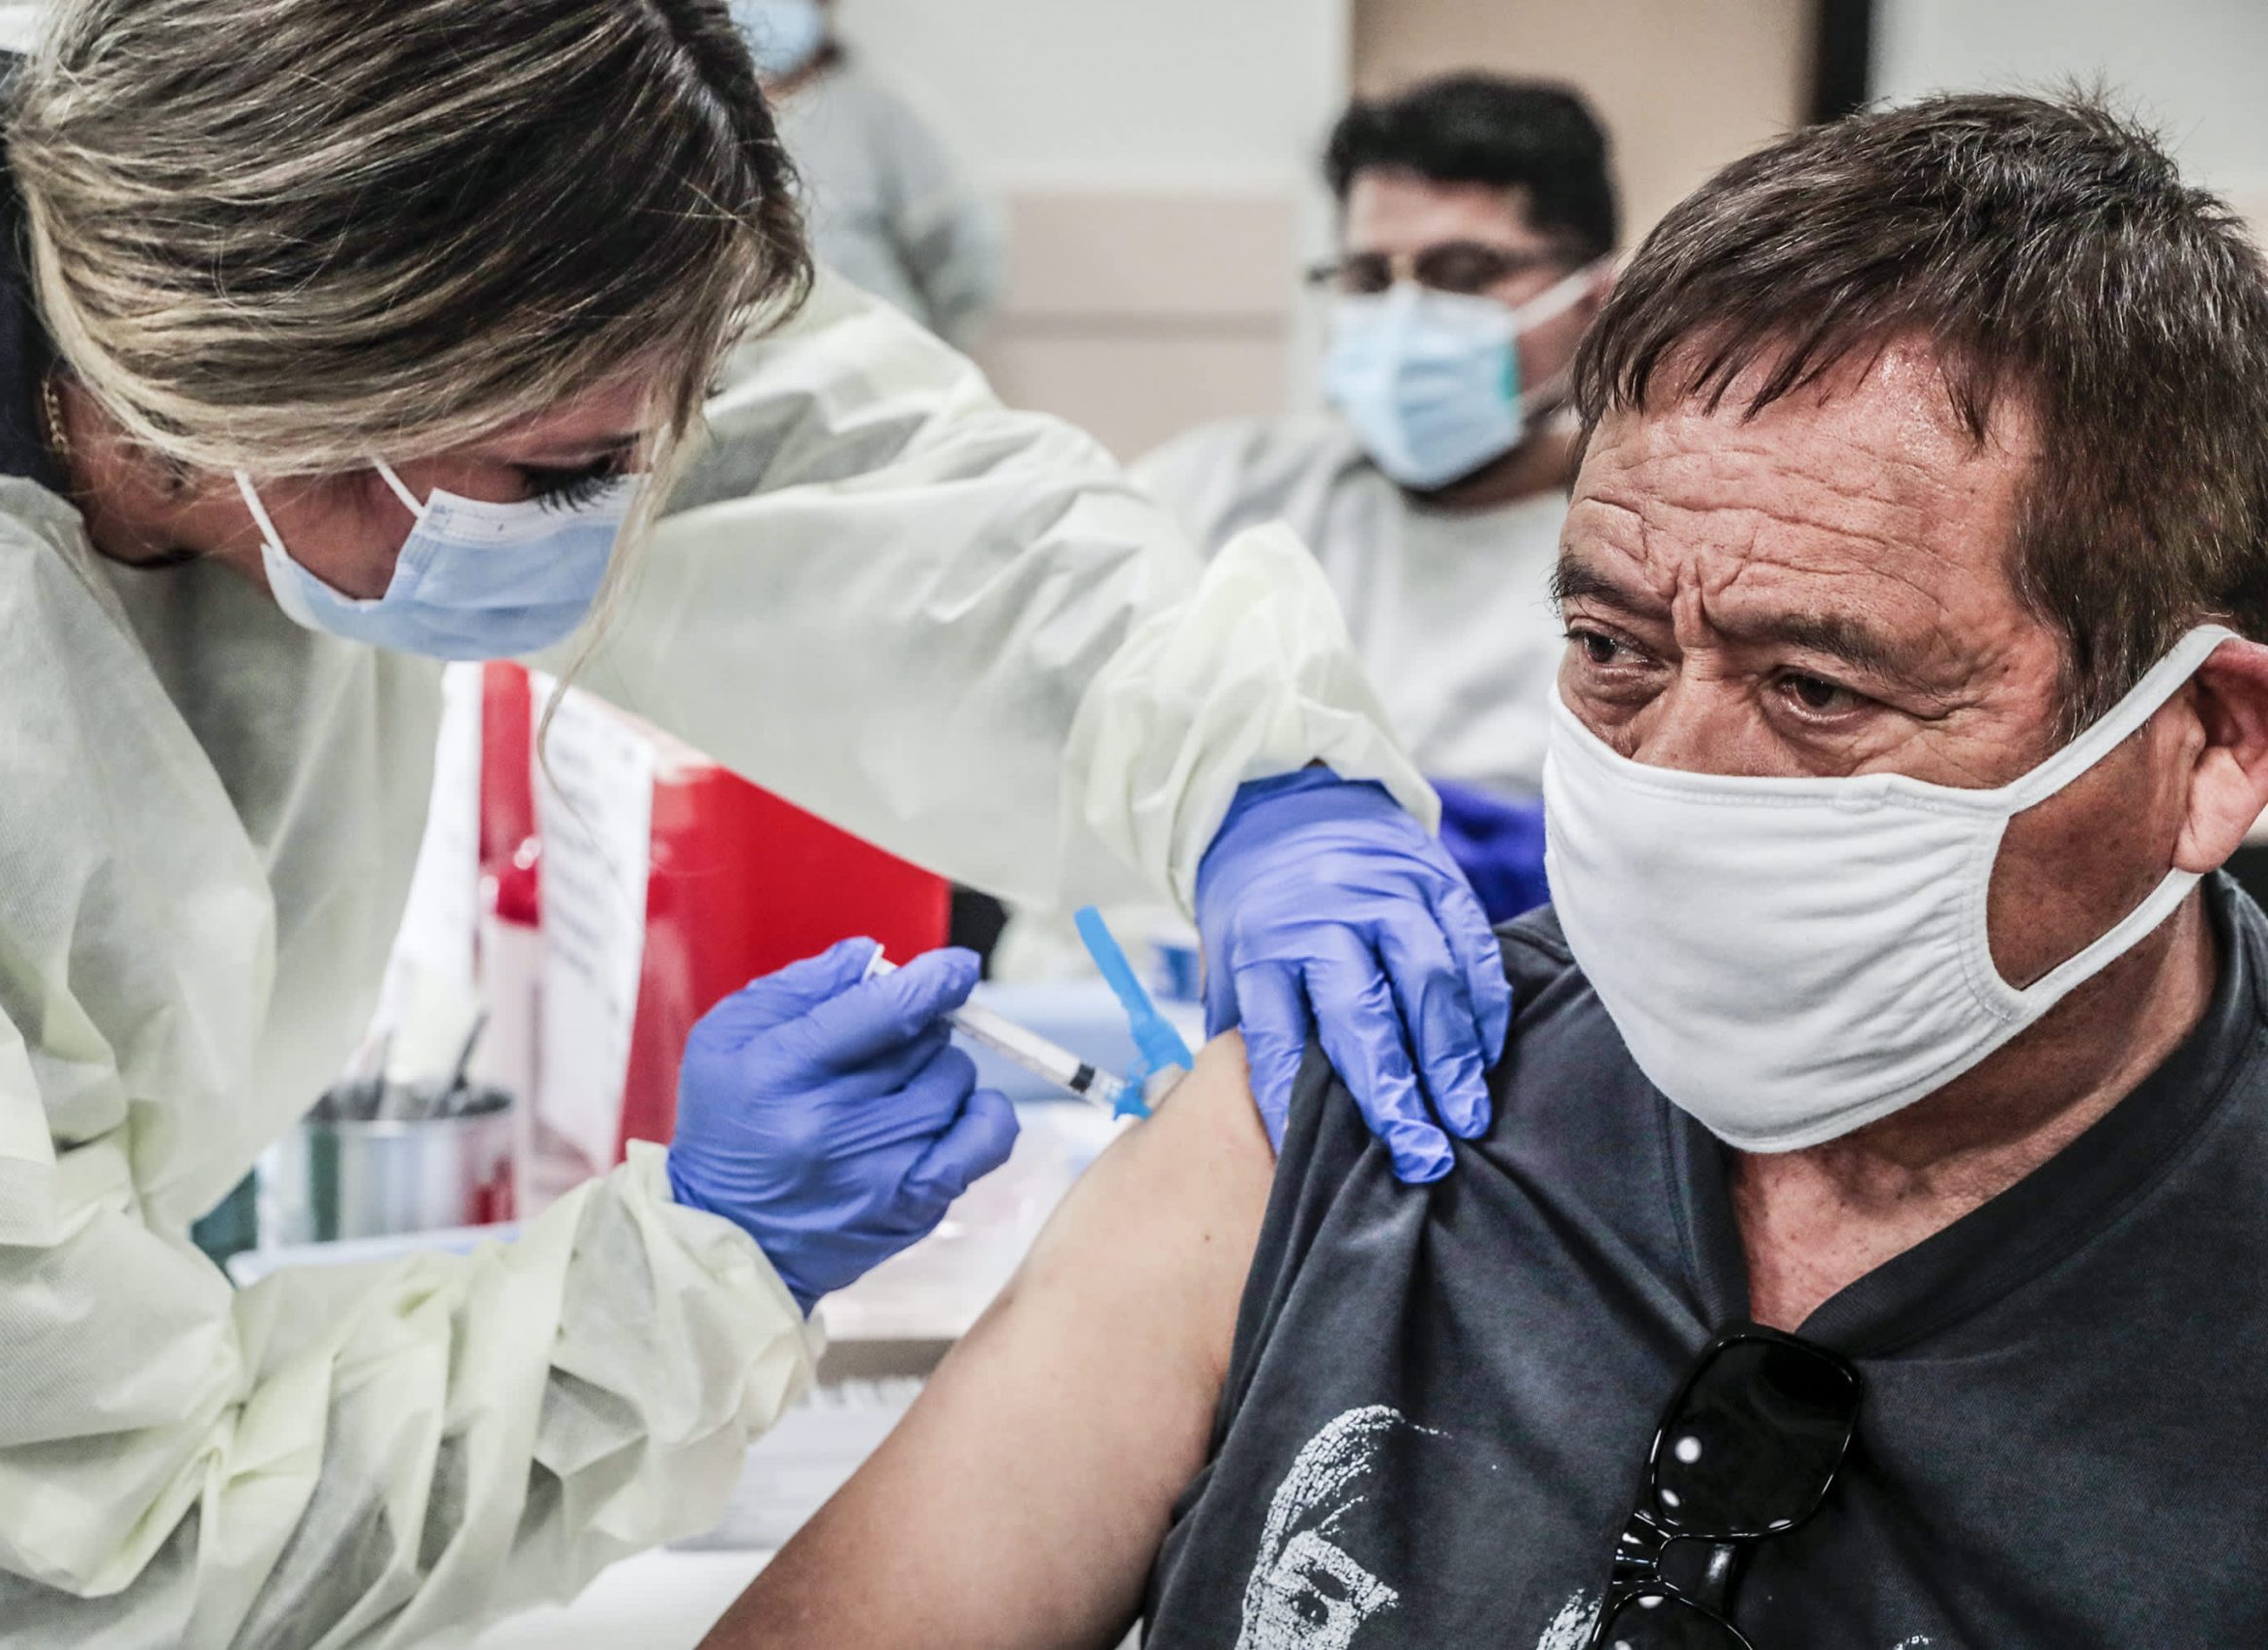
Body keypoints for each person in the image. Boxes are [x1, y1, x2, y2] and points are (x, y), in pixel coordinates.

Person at [0, 3, 1515, 1645]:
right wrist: (697, 1262)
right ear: (289, 405)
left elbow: (844, 465)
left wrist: (1253, 770)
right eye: (563, 479)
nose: (637, 504)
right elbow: (98, 1552)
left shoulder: (231, 181)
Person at [699, 93, 2268, 1649]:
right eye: (1612, 648)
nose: (1669, 778)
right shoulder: (1358, 1087)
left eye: (1817, 688)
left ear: (2209, 742)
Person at [1137, 73, 1617, 919]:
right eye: (1368, 277)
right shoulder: (1221, 491)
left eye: (1461, 271)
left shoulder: (1641, 555)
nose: (1404, 318)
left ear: (1593, 302)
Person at [727, 0, 1003, 347]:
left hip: (881, 360)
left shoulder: (876, 109)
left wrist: (920, 352)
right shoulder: (698, 120)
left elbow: (964, 252)